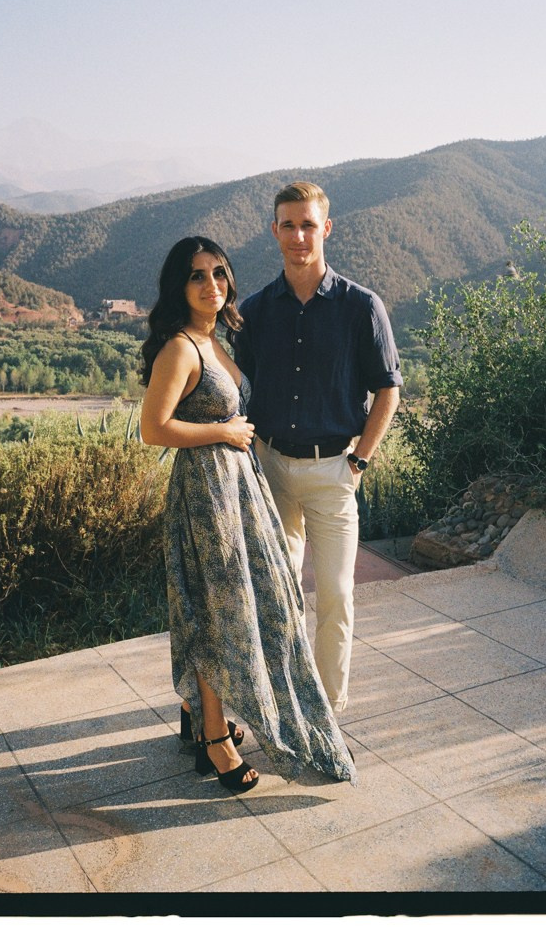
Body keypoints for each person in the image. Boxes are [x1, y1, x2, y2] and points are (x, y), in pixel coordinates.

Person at [139, 235, 356, 793]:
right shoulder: (181, 348)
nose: (211, 284)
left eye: (218, 273)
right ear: (177, 287)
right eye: (196, 276)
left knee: (243, 607)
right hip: (207, 495)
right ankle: (215, 740)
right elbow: (153, 429)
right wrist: (225, 431)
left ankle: (209, 721)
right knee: (220, 613)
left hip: (238, 489)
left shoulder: (215, 341)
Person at [233, 182, 402, 716]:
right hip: (272, 469)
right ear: (274, 231)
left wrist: (360, 461)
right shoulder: (255, 312)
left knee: (335, 597)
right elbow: (241, 391)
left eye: (308, 224)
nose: (299, 235)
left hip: (334, 470)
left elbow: (388, 390)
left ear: (326, 228)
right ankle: (282, 701)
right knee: (276, 596)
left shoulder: (361, 307)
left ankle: (328, 709)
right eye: (288, 224)